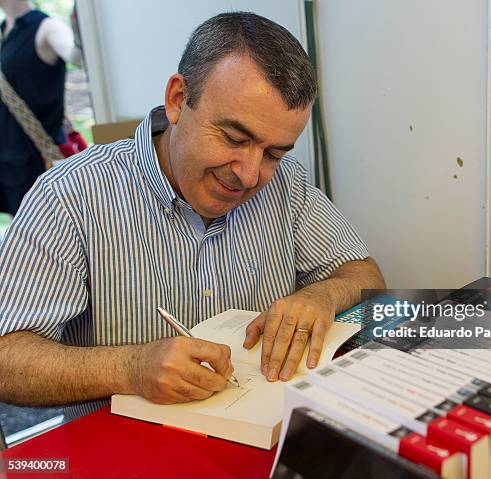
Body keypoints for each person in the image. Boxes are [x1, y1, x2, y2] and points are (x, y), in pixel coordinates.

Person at [0, 12, 385, 418]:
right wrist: (130, 368)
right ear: (178, 100)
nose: (250, 175)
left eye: (273, 153)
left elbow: (365, 276)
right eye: (235, 138)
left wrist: (320, 295)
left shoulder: (285, 184)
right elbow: (7, 357)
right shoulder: (70, 196)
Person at [0, 0, 82, 215]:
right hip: (9, 163)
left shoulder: (47, 27)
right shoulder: (4, 33)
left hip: (38, 164)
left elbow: (75, 55)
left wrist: (80, 29)